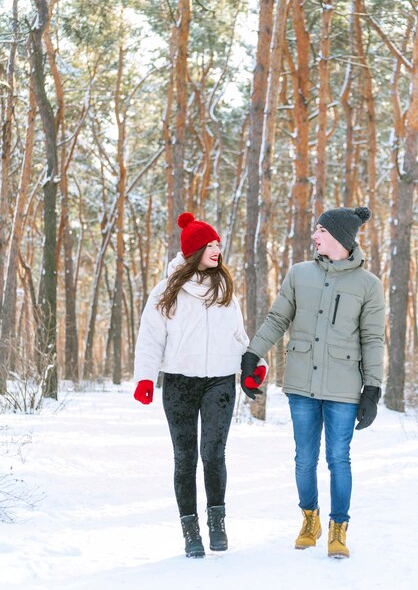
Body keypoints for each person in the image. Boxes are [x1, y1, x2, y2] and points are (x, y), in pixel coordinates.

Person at [240, 206, 385, 558]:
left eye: (320, 230)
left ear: (339, 237)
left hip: (344, 386)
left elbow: (372, 339)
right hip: (301, 384)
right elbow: (277, 319)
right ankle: (310, 519)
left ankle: (338, 528)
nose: (315, 236)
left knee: (339, 458)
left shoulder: (369, 285)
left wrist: (373, 388)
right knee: (305, 459)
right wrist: (251, 355)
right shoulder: (299, 273)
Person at [133, 212, 266, 558]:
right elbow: (150, 338)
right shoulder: (166, 291)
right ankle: (190, 531)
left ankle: (216, 522)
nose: (217, 249)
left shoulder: (225, 289)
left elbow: (238, 337)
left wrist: (254, 368)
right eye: (211, 244)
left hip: (220, 382)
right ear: (194, 249)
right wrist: (146, 377)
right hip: (178, 382)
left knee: (213, 453)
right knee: (185, 458)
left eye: (218, 244)